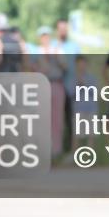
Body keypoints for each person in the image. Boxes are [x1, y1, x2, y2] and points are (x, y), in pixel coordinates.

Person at [31, 25, 67, 157]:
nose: (45, 38)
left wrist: (56, 57)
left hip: (56, 83)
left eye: (47, 36)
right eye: (43, 36)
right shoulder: (36, 52)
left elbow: (65, 67)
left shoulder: (58, 50)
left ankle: (56, 149)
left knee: (57, 119)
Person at [52, 18, 80, 153]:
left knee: (72, 119)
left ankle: (72, 149)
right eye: (61, 28)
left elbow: (79, 66)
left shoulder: (74, 46)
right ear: (57, 30)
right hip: (55, 87)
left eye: (65, 28)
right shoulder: (51, 46)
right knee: (55, 120)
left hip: (71, 87)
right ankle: (56, 148)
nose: (63, 31)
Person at [71, 55, 99, 150]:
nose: (81, 66)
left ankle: (90, 155)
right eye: (79, 64)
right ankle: (75, 155)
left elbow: (95, 92)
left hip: (91, 109)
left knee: (91, 134)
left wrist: (85, 84)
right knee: (76, 134)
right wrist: (77, 85)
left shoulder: (92, 78)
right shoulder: (73, 79)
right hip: (78, 109)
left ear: (86, 64)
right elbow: (70, 93)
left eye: (83, 63)